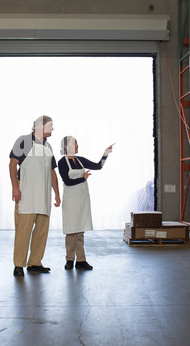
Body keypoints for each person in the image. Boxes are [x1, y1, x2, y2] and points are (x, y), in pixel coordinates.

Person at [9, 116, 61, 277]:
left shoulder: (49, 147)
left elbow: (53, 172)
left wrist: (57, 195)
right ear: (40, 125)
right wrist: (15, 188)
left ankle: (34, 262)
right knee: (23, 231)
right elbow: (12, 164)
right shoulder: (23, 141)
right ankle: (19, 264)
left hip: (44, 195)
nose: (53, 129)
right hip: (27, 194)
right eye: (50, 126)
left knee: (41, 231)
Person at [58, 136, 113, 270]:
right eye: (75, 144)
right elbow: (67, 181)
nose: (77, 146)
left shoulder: (80, 160)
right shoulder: (62, 162)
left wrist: (105, 153)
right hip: (70, 200)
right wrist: (83, 178)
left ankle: (81, 260)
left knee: (80, 230)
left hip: (82, 199)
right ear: (67, 147)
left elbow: (98, 166)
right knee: (71, 230)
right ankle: (70, 259)